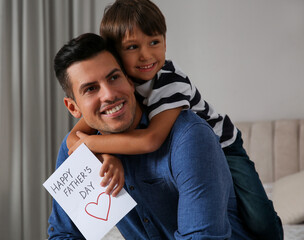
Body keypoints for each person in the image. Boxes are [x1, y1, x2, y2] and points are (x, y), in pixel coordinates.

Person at [66, 1, 283, 239]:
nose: (146, 55)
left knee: (259, 219)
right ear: (116, 53)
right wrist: (107, 156)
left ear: (165, 42)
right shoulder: (117, 85)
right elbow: (73, 138)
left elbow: (151, 140)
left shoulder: (170, 82)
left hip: (225, 145)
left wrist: (91, 145)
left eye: (154, 42)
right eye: (132, 47)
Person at [48, 33, 252, 239]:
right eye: (91, 89)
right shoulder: (76, 150)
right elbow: (63, 234)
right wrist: (102, 155)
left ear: (129, 80)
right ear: (73, 107)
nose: (109, 95)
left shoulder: (189, 137)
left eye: (114, 77)